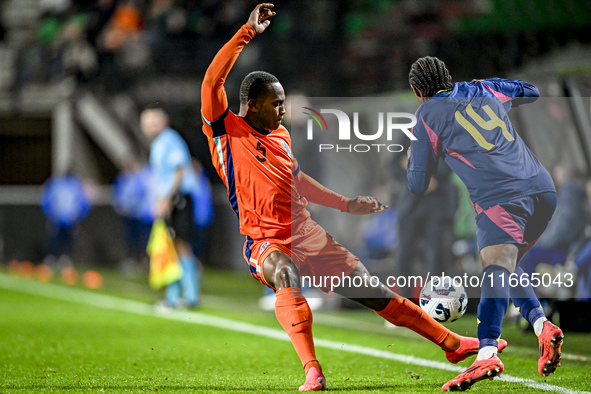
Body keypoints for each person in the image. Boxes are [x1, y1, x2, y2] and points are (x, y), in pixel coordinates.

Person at [201, 5, 498, 391]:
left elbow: (298, 181)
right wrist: (247, 31)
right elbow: (211, 81)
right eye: (276, 103)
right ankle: (312, 370)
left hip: (306, 234)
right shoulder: (226, 129)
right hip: (265, 241)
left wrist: (345, 203)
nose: (282, 110)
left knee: (375, 294)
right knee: (285, 274)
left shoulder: (281, 137)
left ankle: (452, 344)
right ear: (251, 104)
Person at [406, 56, 564, 391]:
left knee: (495, 266)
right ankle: (542, 326)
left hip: (501, 199)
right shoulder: (484, 88)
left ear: (417, 91)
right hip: (543, 190)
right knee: (505, 264)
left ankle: (487, 352)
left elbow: (417, 184)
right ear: (450, 77)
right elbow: (531, 92)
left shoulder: (427, 114)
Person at [141, 105, 201, 309]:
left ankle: (185, 296)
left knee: (180, 245)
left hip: (179, 199)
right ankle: (179, 295)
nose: (150, 125)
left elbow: (179, 171)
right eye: (147, 122)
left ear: (164, 121)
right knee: (174, 246)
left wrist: (166, 199)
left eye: (154, 121)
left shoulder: (169, 140)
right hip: (174, 199)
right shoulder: (160, 142)